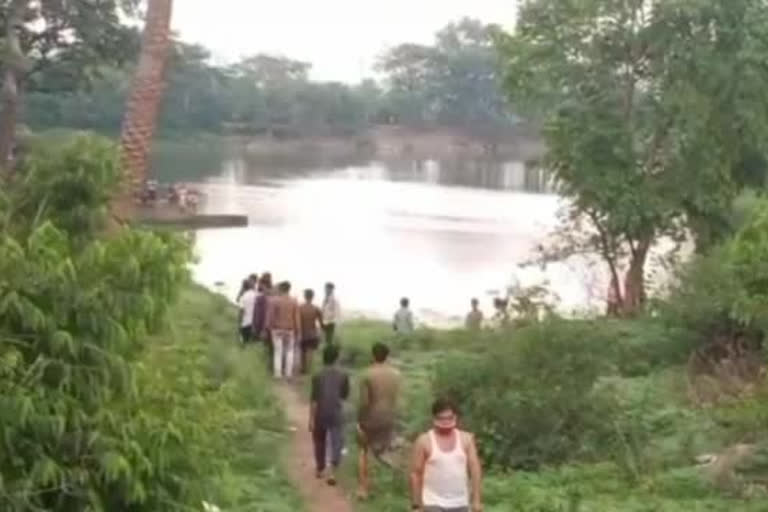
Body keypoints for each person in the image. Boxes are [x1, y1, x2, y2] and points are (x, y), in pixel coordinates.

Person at [409, 398, 484, 512]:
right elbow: (415, 473)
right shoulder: (424, 441)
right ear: (434, 418)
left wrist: (476, 500)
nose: (446, 422)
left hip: (460, 502)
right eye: (441, 418)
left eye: (449, 418)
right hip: (432, 502)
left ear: (455, 417)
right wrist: (416, 505)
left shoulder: (466, 439)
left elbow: (475, 469)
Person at [356, 342, 401, 499]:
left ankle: (363, 489)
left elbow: (364, 402)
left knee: (363, 451)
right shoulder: (396, 374)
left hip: (371, 417)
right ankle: (398, 474)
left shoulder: (366, 374)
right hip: (389, 416)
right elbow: (396, 398)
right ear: (387, 356)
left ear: (372, 355)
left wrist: (359, 421)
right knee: (384, 450)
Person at [309, 344, 350, 485]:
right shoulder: (343, 375)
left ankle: (320, 469)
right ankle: (333, 473)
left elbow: (314, 399)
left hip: (320, 411)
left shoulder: (317, 375)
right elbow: (344, 396)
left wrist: (311, 419)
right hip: (336, 412)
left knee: (319, 440)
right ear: (336, 358)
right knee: (336, 441)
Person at [265, 281, 302, 379]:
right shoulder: (294, 301)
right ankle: (288, 373)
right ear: (289, 289)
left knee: (278, 352)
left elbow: (270, 316)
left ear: (280, 289)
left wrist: (267, 327)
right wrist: (298, 331)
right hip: (290, 329)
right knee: (290, 352)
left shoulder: (274, 301)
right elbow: (297, 318)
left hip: (277, 329)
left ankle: (278, 374)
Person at [299, 289, 324, 374]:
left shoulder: (300, 308)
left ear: (304, 296)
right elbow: (321, 323)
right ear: (312, 297)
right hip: (312, 333)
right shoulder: (316, 308)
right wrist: (321, 333)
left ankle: (303, 368)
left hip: (302, 332)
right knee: (310, 352)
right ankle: (308, 369)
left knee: (302, 351)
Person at [237, 279, 257, 345]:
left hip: (246, 323)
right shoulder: (257, 295)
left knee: (244, 343)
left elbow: (241, 311)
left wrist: (239, 322)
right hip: (256, 323)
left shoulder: (244, 296)